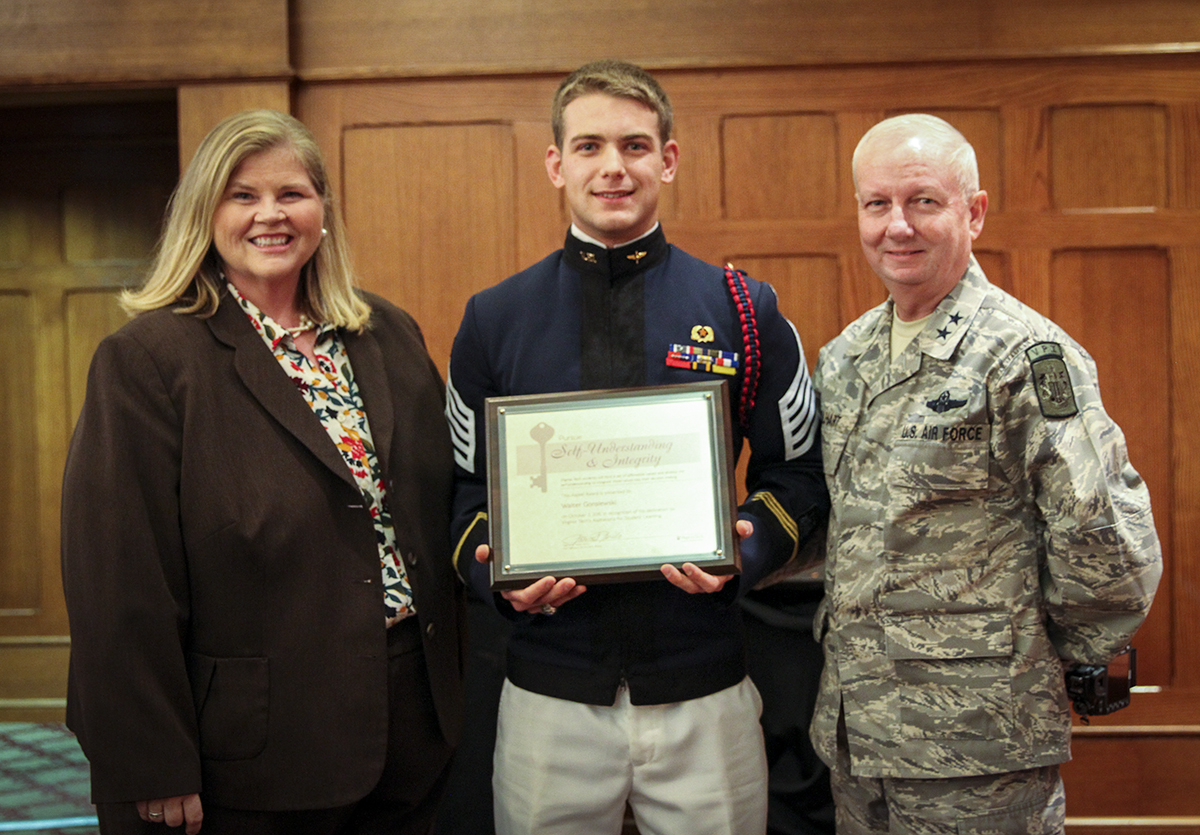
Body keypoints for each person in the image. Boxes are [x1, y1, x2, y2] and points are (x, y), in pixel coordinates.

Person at [443, 59, 829, 835]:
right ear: (556, 164)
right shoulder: (493, 319)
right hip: (551, 694)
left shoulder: (743, 310)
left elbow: (799, 476)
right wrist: (499, 575)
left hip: (704, 687)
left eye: (634, 145)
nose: (613, 167)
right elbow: (463, 493)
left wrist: (745, 551)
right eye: (588, 147)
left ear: (669, 158)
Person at [60, 109, 464, 835]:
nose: (270, 214)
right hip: (257, 749)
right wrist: (151, 761)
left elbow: (436, 505)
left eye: (292, 193)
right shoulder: (149, 360)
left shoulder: (388, 332)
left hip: (414, 720)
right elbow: (120, 580)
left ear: (323, 212)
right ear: (204, 213)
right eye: (242, 195)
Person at [809, 113, 1163, 834]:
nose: (896, 226)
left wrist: (1037, 663)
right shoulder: (846, 357)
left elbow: (1102, 538)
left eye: (923, 201)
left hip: (979, 738)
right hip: (860, 733)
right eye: (877, 204)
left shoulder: (1026, 355)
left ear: (973, 212)